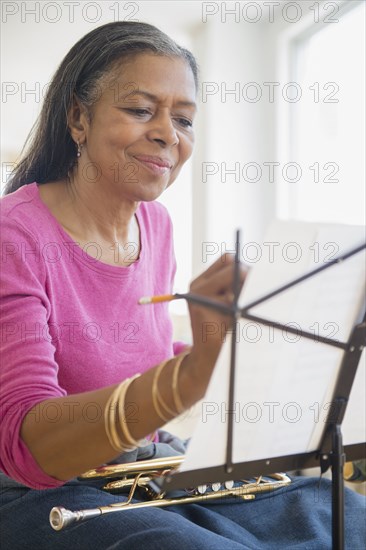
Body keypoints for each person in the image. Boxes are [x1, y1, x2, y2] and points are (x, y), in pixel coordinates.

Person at [0, 21, 364, 550]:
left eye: (185, 119)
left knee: (340, 514)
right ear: (78, 116)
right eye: (141, 110)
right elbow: (29, 448)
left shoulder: (156, 225)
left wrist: (247, 353)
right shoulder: (14, 234)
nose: (168, 134)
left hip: (142, 465)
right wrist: (188, 376)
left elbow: (134, 350)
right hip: (45, 491)